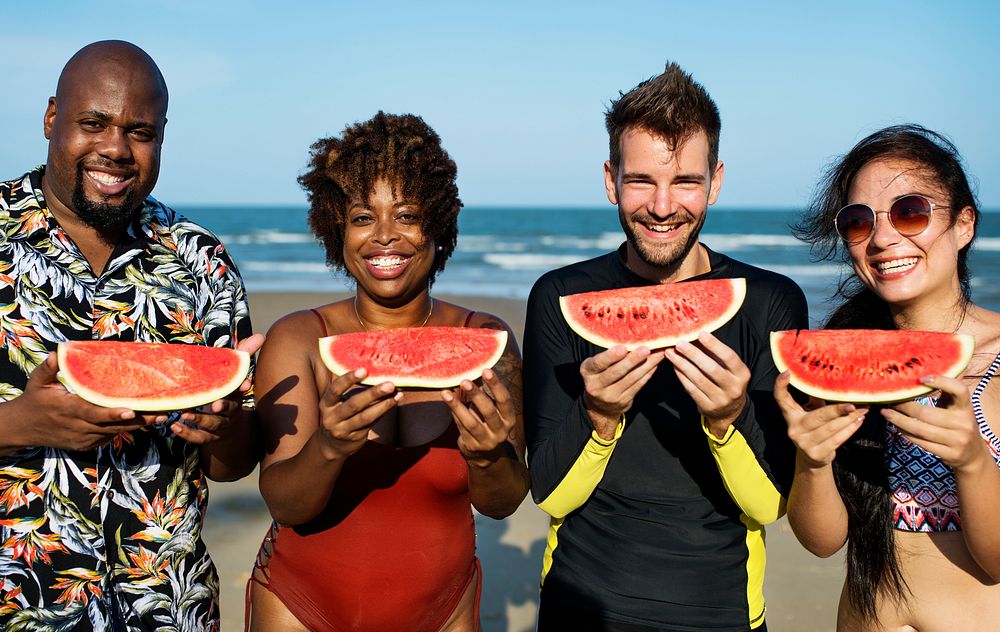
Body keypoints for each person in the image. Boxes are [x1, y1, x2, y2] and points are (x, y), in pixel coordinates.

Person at [523, 63, 808, 631]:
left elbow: (768, 506)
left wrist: (729, 420)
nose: (661, 206)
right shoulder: (559, 296)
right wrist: (599, 416)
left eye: (685, 182)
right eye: (640, 181)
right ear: (610, 180)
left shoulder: (771, 302)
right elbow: (550, 495)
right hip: (581, 608)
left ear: (716, 181)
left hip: (722, 613)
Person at [0, 41, 263, 630]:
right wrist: (20, 424)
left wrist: (222, 426)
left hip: (169, 609)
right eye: (93, 123)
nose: (116, 148)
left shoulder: (203, 261)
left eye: (140, 131)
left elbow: (231, 465)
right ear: (51, 118)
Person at [247, 111, 530, 631]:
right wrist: (329, 446)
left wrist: (488, 456)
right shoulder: (299, 339)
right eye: (361, 218)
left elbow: (504, 502)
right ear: (337, 231)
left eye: (406, 215)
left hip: (444, 613)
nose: (383, 237)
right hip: (299, 608)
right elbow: (285, 505)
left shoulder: (487, 339)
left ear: (438, 226)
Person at [776, 124, 1000, 630]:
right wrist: (812, 461)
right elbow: (822, 541)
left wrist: (972, 461)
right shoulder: (841, 359)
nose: (881, 238)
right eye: (858, 221)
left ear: (964, 224)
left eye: (910, 212)